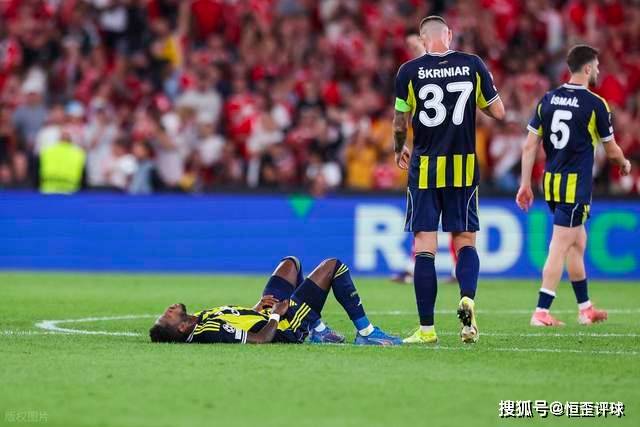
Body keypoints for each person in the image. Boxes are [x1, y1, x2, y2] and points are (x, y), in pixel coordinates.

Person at [393, 16, 505, 344]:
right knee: (465, 241)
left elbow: (400, 122)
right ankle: (467, 298)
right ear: (449, 35)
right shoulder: (473, 64)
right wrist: (474, 101)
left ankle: (427, 329)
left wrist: (399, 147)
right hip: (463, 168)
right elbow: (498, 112)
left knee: (424, 247)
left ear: (422, 39)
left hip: (425, 170)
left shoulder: (408, 71)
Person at [516, 45, 632, 327]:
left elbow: (529, 145)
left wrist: (525, 184)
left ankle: (585, 308)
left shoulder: (548, 99)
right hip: (574, 186)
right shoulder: (595, 104)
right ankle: (541, 311)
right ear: (588, 68)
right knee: (560, 245)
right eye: (597, 66)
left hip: (551, 183)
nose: (599, 71)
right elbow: (612, 150)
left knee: (577, 243)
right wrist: (624, 163)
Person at [149, 256, 402, 345]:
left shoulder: (200, 318)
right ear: (182, 327)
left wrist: (256, 309)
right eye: (167, 316)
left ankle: (319, 330)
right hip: (285, 326)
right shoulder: (208, 330)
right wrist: (276, 314)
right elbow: (260, 339)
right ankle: (366, 333)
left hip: (267, 314)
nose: (168, 309)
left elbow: (239, 322)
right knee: (333, 266)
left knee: (290, 264)